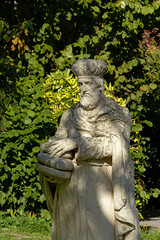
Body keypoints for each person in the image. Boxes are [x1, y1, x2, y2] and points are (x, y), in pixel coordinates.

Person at [37, 59, 140, 240]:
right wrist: (50, 148)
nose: (83, 89)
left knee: (100, 233)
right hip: (70, 184)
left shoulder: (117, 114)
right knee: (70, 233)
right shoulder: (70, 115)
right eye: (80, 84)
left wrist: (77, 143)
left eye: (88, 84)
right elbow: (60, 140)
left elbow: (114, 145)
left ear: (100, 86)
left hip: (100, 185)